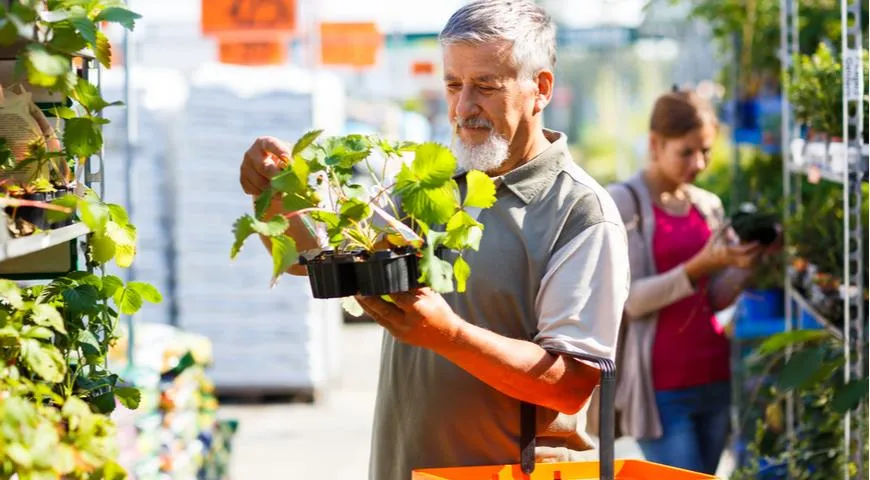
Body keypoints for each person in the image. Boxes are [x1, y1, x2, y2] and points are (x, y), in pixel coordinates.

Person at [239, 1, 629, 478]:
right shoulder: (433, 183)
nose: (464, 107)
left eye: (486, 86)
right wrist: (274, 197)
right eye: (453, 84)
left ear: (539, 89)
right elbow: (312, 259)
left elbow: (570, 385)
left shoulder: (578, 211)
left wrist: (449, 336)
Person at [607, 89, 769, 474]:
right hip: (662, 390)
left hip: (714, 376)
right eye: (686, 152)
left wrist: (747, 263)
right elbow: (630, 301)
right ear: (655, 144)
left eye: (706, 151)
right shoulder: (623, 202)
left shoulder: (707, 205)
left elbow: (712, 299)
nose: (699, 162)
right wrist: (701, 264)